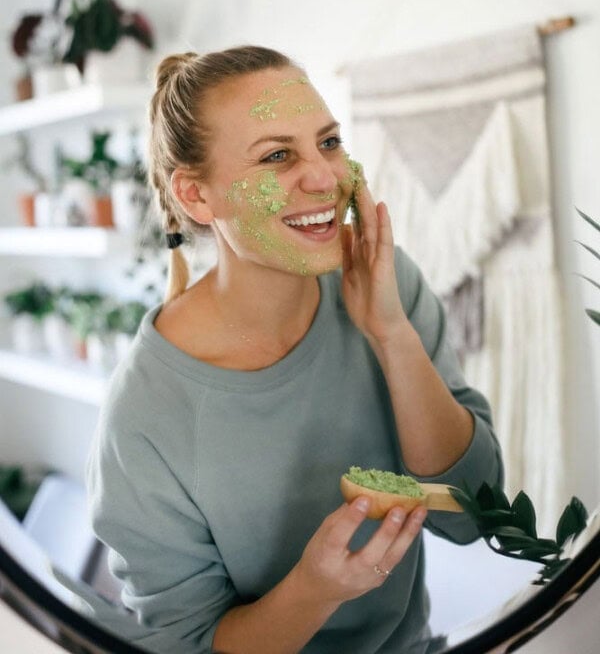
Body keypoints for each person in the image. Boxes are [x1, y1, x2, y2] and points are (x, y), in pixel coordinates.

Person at [86, 45, 503, 654]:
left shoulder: (386, 284)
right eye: (278, 155)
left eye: (328, 142)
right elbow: (187, 646)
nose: (324, 177)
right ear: (198, 198)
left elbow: (476, 517)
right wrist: (314, 589)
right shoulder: (143, 420)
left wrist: (392, 334)